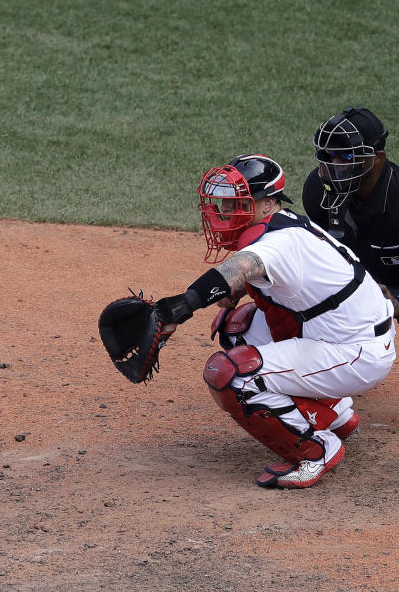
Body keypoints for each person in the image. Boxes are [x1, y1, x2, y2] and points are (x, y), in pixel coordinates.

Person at [156, 154, 395, 488]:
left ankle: (317, 450)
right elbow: (234, 289)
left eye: (234, 205)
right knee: (234, 327)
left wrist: (179, 308)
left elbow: (240, 269)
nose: (223, 215)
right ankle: (337, 413)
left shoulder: (280, 242)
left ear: (266, 202)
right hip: (342, 332)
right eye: (222, 206)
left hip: (357, 354)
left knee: (232, 374)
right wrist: (233, 292)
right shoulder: (280, 225)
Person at [302, 105, 399, 318]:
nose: (332, 164)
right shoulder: (317, 191)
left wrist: (393, 302)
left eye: (345, 157)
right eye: (329, 154)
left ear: (378, 158)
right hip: (349, 285)